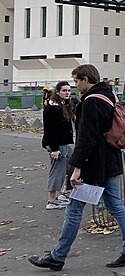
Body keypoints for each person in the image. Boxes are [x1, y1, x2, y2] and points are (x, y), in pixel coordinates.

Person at [29, 64, 125, 271]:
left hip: (92, 166)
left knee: (73, 210)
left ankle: (57, 256)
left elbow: (86, 139)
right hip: (111, 162)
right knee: (116, 206)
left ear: (86, 79)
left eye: (77, 81)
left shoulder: (90, 102)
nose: (75, 85)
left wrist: (76, 168)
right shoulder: (110, 97)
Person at [41, 81, 74, 210]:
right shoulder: (52, 108)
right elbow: (50, 130)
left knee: (72, 167)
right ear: (58, 92)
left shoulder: (64, 105)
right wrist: (54, 149)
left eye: (69, 90)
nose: (67, 93)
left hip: (64, 143)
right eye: (64, 90)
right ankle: (51, 200)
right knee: (57, 172)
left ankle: (65, 192)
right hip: (57, 145)